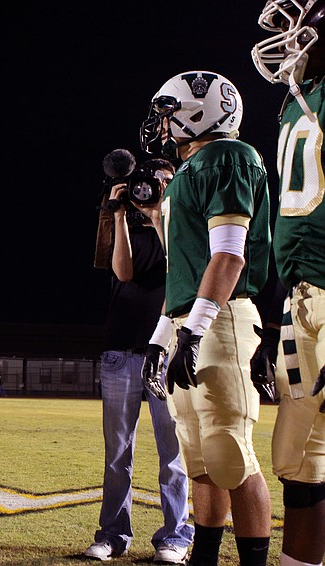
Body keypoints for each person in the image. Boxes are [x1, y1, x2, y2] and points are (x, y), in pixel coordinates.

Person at [138, 71, 272, 566]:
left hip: (218, 320)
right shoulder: (188, 174)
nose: (164, 124)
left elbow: (230, 256)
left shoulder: (228, 157)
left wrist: (191, 332)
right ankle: (206, 558)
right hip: (188, 321)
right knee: (199, 461)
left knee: (230, 454)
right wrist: (162, 336)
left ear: (202, 111)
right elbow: (183, 272)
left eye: (171, 112)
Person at [84, 158, 193, 563]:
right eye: (149, 184)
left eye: (162, 183)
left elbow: (182, 265)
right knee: (117, 453)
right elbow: (123, 273)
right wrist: (119, 215)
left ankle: (176, 536)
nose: (152, 190)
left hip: (166, 353)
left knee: (173, 454)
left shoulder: (183, 229)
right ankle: (113, 534)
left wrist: (159, 214)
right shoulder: (126, 225)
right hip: (121, 350)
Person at [253, 3, 325, 565]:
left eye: (296, 32)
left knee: (306, 455)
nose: (285, 44)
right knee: (300, 459)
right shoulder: (298, 102)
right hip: (302, 300)